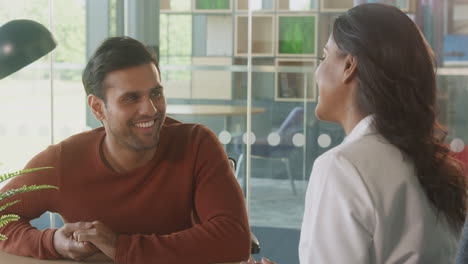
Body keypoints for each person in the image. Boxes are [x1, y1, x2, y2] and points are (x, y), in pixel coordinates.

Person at [243, 3, 467, 264]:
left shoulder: (342, 167)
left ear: (349, 66)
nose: (317, 72)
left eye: (324, 57)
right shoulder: (435, 168)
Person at [0, 36, 251, 263]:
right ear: (98, 108)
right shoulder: (62, 162)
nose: (151, 110)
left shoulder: (197, 144)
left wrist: (121, 247)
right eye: (131, 98)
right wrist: (52, 242)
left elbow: (234, 238)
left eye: (156, 93)